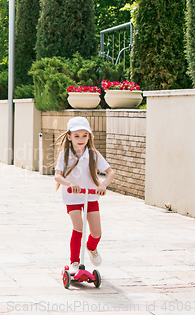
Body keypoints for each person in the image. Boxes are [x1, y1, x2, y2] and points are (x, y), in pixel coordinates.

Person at [54, 117, 115, 275]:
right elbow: (57, 176)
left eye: (84, 136)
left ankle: (91, 247)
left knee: (96, 232)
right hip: (73, 197)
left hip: (91, 196)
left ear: (89, 136)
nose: (81, 139)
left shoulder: (93, 154)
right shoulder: (65, 155)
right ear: (69, 136)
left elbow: (110, 172)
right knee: (78, 227)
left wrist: (103, 185)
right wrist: (70, 184)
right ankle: (74, 261)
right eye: (76, 136)